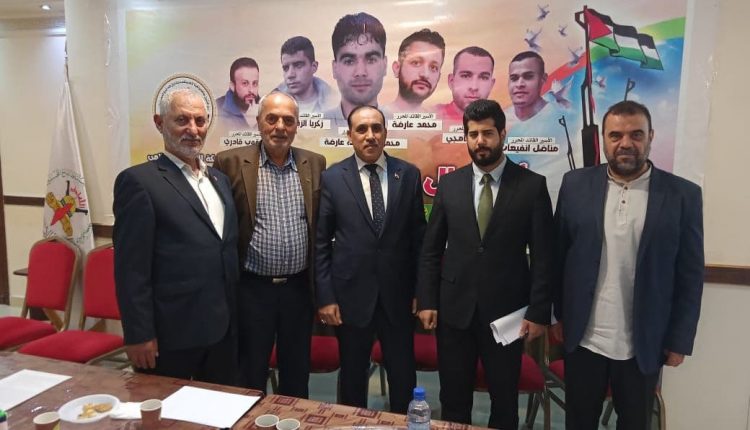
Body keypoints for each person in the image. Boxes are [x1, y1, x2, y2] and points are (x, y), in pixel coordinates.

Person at [552, 100, 704, 430]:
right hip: (585, 338)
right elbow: (559, 256)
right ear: (603, 139)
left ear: (651, 137)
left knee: (635, 423)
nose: (625, 143)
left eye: (636, 134)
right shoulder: (575, 185)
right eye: (615, 135)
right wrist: (558, 315)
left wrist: (679, 340)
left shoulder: (682, 195)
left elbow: (690, 275)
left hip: (644, 342)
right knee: (579, 422)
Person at [416, 99, 554, 429]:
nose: (480, 141)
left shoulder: (532, 186)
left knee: (504, 402)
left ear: (502, 134)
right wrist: (427, 300)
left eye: (488, 133)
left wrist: (538, 312)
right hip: (454, 312)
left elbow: (544, 256)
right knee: (453, 399)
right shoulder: (449, 185)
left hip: (507, 315)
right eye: (473, 134)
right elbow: (431, 250)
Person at [113, 88, 240, 385]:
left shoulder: (220, 180)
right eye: (182, 120)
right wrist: (139, 333)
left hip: (223, 329)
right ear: (159, 123)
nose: (193, 130)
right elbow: (131, 270)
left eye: (200, 121)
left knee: (219, 405)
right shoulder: (139, 182)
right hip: (173, 334)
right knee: (167, 409)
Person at [213, 91, 326, 398]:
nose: (280, 127)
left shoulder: (315, 163)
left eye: (288, 120)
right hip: (252, 290)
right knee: (250, 373)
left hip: (298, 291)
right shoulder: (229, 162)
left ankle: (293, 418)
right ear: (259, 121)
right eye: (272, 119)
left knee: (296, 373)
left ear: (297, 125)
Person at [316, 105, 425, 413]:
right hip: (350, 298)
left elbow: (420, 240)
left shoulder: (409, 175)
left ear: (385, 133)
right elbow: (321, 243)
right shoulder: (333, 178)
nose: (370, 135)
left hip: (398, 297)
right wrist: (326, 297)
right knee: (352, 377)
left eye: (376, 128)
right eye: (361, 129)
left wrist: (422, 291)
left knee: (403, 376)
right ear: (350, 135)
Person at [504, 51, 576, 206]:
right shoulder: (499, 121)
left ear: (543, 79)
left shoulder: (563, 116)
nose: (519, 84)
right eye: (514, 78)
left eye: (528, 76)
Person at [323, 12, 388, 130]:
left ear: (385, 65)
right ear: (334, 68)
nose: (360, 72)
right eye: (349, 61)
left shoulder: (400, 127)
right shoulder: (316, 129)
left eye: (371, 60)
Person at [382, 29, 445, 116]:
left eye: (433, 67)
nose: (425, 74)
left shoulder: (441, 121)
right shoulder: (375, 118)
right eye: (416, 63)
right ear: (397, 68)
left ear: (439, 77)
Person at [433, 47, 496, 124]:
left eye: (483, 77)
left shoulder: (501, 121)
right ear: (451, 81)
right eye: (466, 76)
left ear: (491, 85)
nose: (474, 87)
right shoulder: (431, 115)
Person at [275, 36, 336, 113]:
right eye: (286, 68)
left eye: (298, 65)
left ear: (314, 67)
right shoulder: (272, 103)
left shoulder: (336, 103)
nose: (290, 75)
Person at [216, 57, 260, 130]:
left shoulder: (266, 108)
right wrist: (250, 123)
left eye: (255, 83)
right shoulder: (216, 109)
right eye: (245, 83)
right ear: (232, 86)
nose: (251, 90)